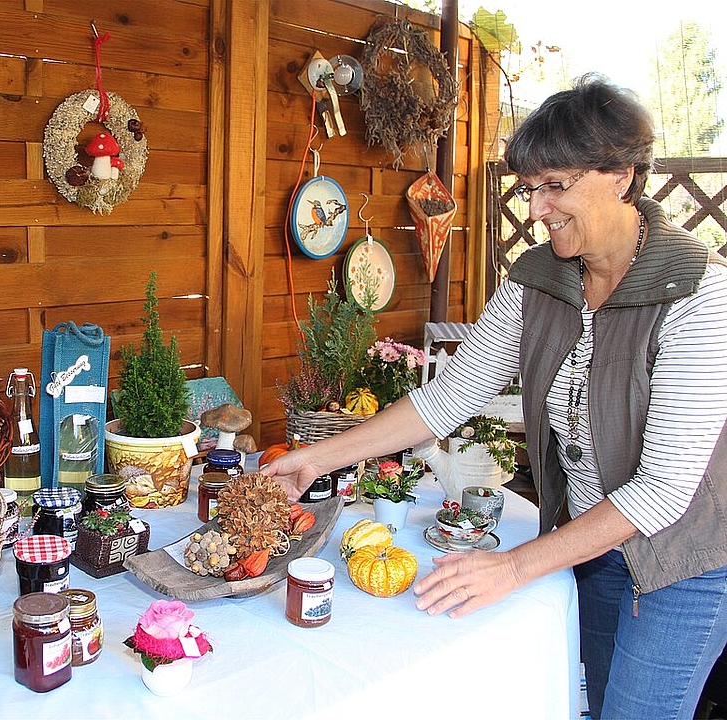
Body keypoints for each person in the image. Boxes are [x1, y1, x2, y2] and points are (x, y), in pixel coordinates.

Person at [264, 74, 727, 720]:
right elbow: (447, 398)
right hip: (595, 548)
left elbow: (662, 491)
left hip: (687, 558)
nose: (536, 210)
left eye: (556, 186)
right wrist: (320, 458)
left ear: (621, 174)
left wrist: (513, 569)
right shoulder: (537, 281)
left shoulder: (698, 294)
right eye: (530, 189)